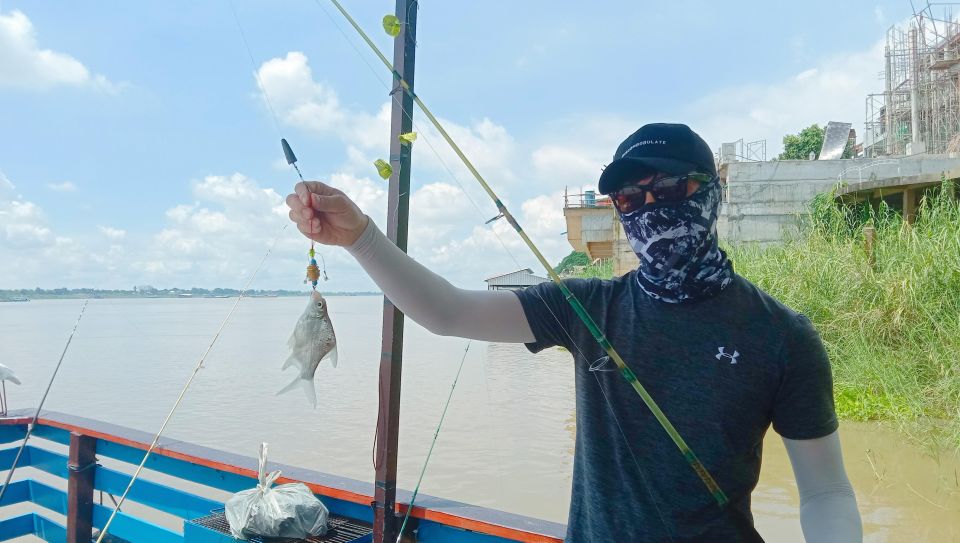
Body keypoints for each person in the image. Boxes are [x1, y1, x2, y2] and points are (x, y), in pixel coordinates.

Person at [285, 123, 863, 542]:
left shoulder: (783, 336)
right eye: (631, 198)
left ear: (713, 193)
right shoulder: (590, 308)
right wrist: (360, 236)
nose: (649, 209)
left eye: (670, 190)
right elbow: (448, 312)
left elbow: (826, 492)